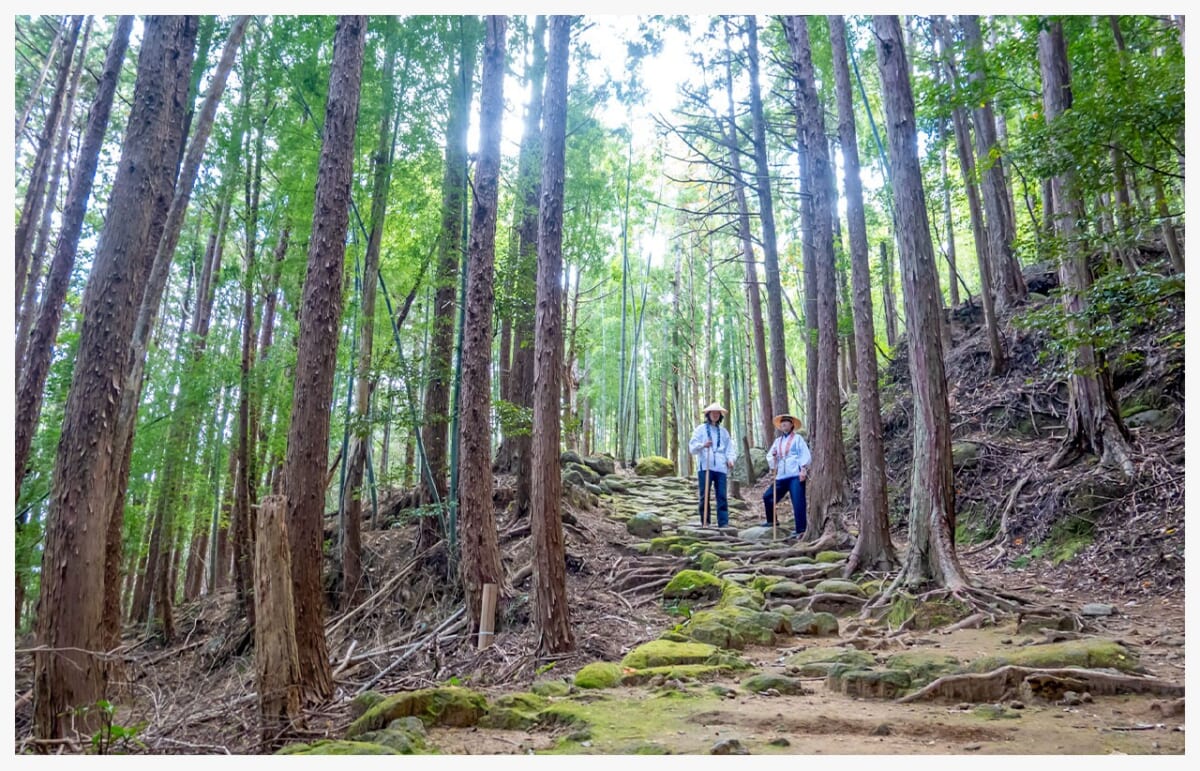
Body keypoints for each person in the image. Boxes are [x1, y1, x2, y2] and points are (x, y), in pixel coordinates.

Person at [688, 402, 738, 527]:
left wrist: (730, 459)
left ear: (720, 415)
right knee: (704, 495)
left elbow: (729, 448)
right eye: (712, 413)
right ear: (708, 414)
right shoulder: (700, 429)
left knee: (721, 495)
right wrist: (703, 445)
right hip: (705, 466)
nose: (715, 415)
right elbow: (692, 448)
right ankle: (705, 521)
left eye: (717, 413)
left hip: (721, 467)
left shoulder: (724, 432)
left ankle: (723, 522)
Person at [762, 413, 811, 538]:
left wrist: (803, 469)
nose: (784, 424)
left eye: (787, 422)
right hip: (781, 476)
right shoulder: (778, 441)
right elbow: (771, 457)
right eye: (782, 423)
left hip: (795, 474)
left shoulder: (798, 438)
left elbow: (804, 454)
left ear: (791, 425)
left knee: (798, 501)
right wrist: (774, 457)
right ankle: (771, 520)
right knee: (768, 496)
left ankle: (801, 529)